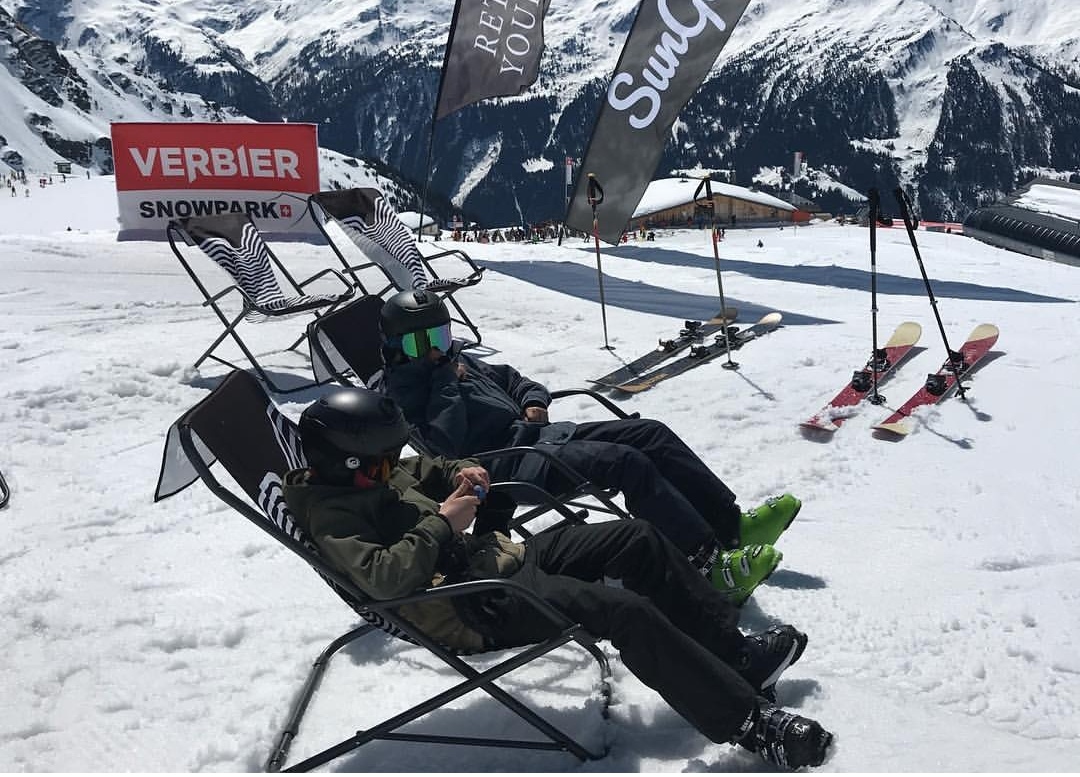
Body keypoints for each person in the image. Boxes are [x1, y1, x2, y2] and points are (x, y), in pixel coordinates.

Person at [282, 387, 834, 769]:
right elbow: (382, 581)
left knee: (636, 537)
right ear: (346, 464)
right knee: (625, 612)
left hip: (499, 561)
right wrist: (443, 523)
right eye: (378, 463)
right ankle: (749, 724)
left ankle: (738, 660)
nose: (390, 467)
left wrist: (460, 471)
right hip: (473, 604)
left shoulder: (370, 475)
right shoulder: (333, 515)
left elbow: (420, 468)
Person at [375, 290, 802, 605]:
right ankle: (708, 567)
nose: (434, 348)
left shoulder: (459, 358)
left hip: (544, 438)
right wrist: (446, 379)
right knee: (626, 463)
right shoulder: (403, 394)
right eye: (419, 343)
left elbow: (515, 379)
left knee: (650, 432)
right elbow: (445, 446)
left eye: (440, 334)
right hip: (511, 467)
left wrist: (534, 400)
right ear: (397, 351)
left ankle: (729, 527)